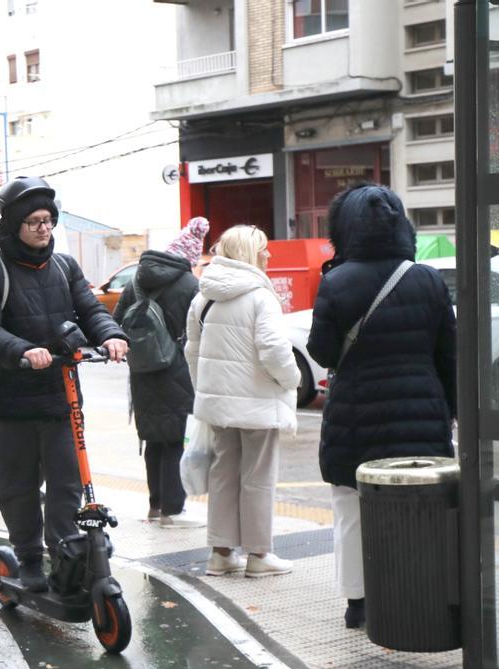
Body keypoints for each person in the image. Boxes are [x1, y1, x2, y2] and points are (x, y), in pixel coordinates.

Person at [0, 176, 128, 592]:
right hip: (8, 402)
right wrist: (22, 350)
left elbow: (90, 308)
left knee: (66, 484)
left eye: (49, 220)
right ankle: (29, 556)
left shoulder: (63, 266)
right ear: (15, 226)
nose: (44, 228)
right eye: (34, 221)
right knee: (18, 487)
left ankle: (65, 551)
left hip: (59, 399)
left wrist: (111, 335)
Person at [308, 183, 457, 629]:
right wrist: (448, 411)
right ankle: (417, 593)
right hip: (420, 415)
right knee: (419, 507)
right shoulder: (426, 278)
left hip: (355, 417)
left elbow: (323, 352)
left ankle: (359, 603)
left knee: (352, 508)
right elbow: (449, 353)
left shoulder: (335, 281)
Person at [185, 225, 299, 578]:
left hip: (218, 406)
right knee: (258, 477)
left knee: (224, 475)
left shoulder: (203, 297)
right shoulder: (259, 296)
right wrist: (292, 380)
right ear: (249, 253)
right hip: (259, 405)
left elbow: (192, 352)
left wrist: (206, 391)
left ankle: (220, 554)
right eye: (263, 250)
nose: (268, 255)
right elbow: (275, 350)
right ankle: (259, 555)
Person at [112, 220, 205, 527]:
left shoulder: (136, 281)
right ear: (189, 258)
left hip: (141, 369)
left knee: (153, 438)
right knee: (175, 439)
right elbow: (198, 332)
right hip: (176, 369)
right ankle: (172, 510)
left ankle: (154, 506)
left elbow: (115, 322)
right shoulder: (190, 285)